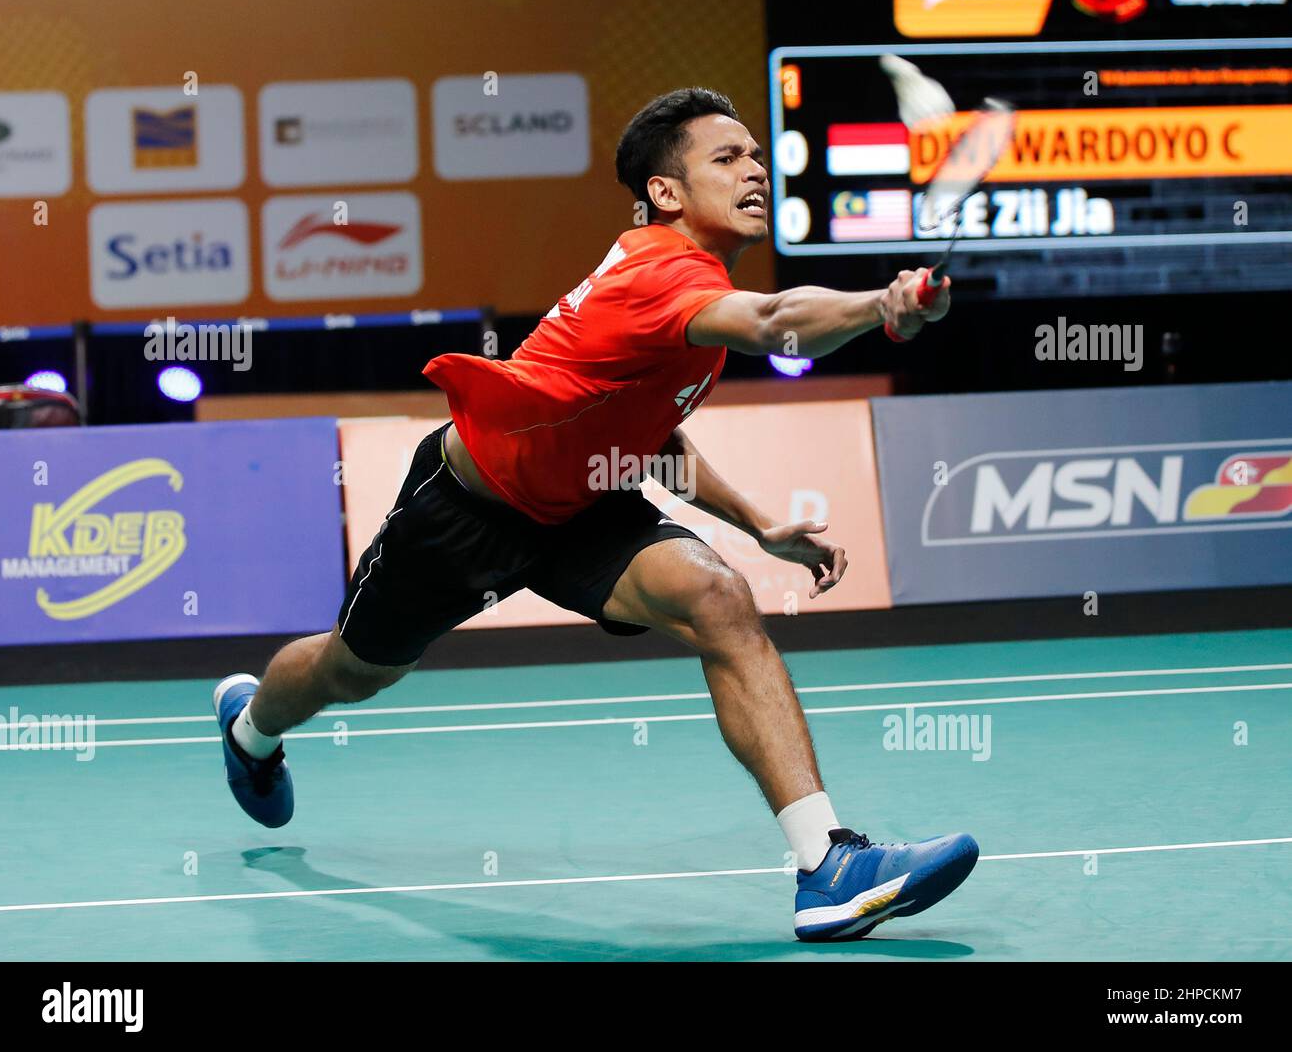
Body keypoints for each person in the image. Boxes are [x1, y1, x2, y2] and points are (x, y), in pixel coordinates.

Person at [212, 87, 976, 941]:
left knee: (718, 597)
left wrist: (757, 526)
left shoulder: (688, 288)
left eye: (756, 154)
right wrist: (882, 306)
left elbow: (650, 437)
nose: (755, 168)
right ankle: (249, 729)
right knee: (352, 674)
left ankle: (826, 864)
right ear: (666, 192)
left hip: (581, 507)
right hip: (469, 509)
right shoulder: (659, 276)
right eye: (727, 158)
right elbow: (774, 321)